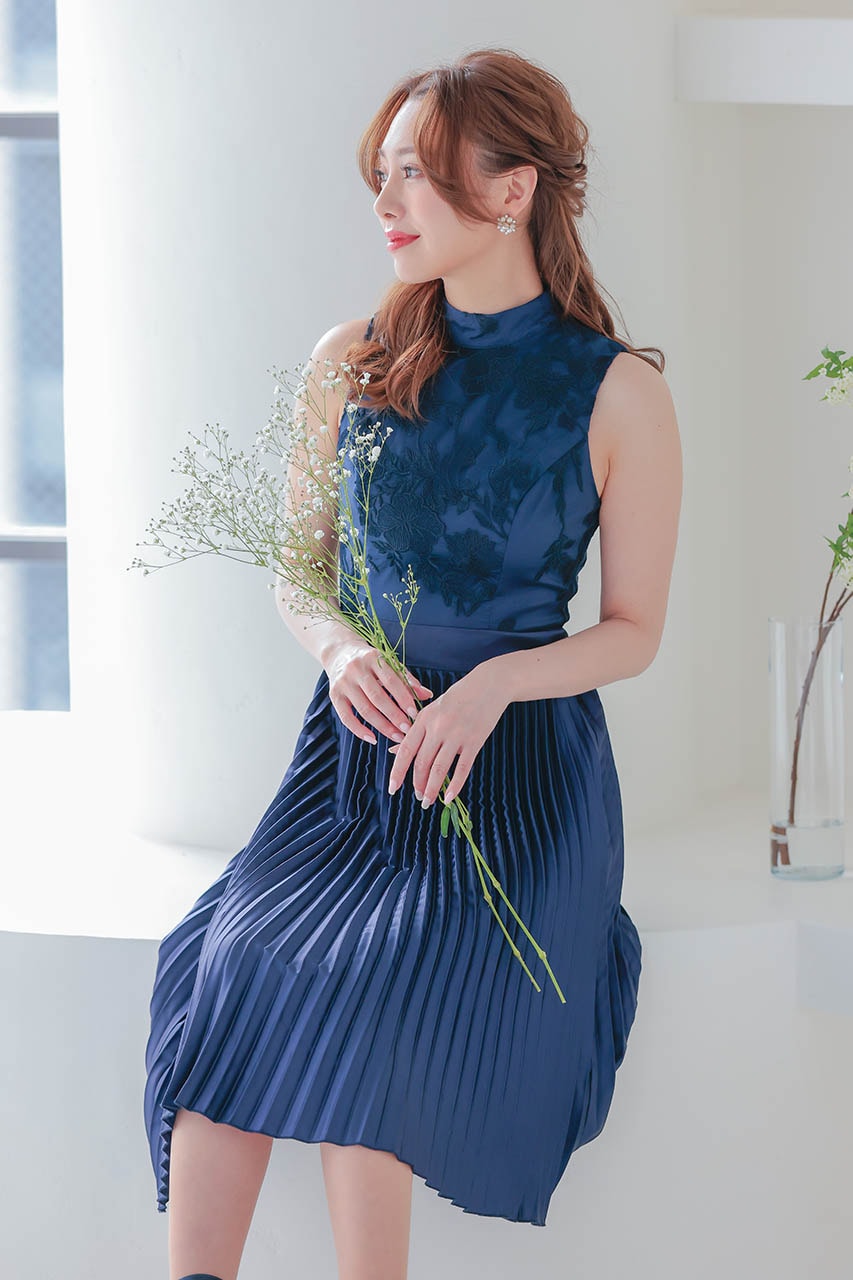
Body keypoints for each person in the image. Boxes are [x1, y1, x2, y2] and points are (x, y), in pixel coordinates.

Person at [143, 46, 682, 1280]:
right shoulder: (351, 359)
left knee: (382, 994)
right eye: (378, 174)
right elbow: (300, 573)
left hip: (517, 775)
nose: (383, 203)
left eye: (414, 175)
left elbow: (633, 627)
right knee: (229, 962)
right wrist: (339, 652)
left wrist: (494, 682)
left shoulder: (617, 393)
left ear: (512, 190)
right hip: (352, 762)